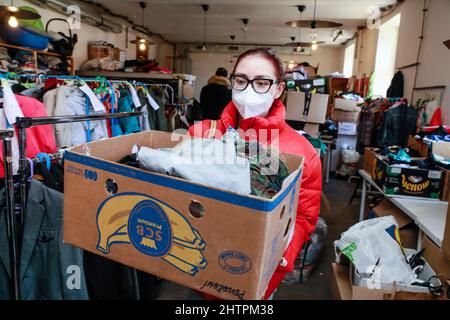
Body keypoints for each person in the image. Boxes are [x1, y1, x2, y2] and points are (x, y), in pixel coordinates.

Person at [188, 47, 322, 299]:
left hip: (258, 279)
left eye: (261, 83)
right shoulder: (200, 134)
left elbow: (303, 216)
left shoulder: (301, 152)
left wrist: (277, 259)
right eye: (240, 81)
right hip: (200, 267)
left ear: (278, 89)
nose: (248, 90)